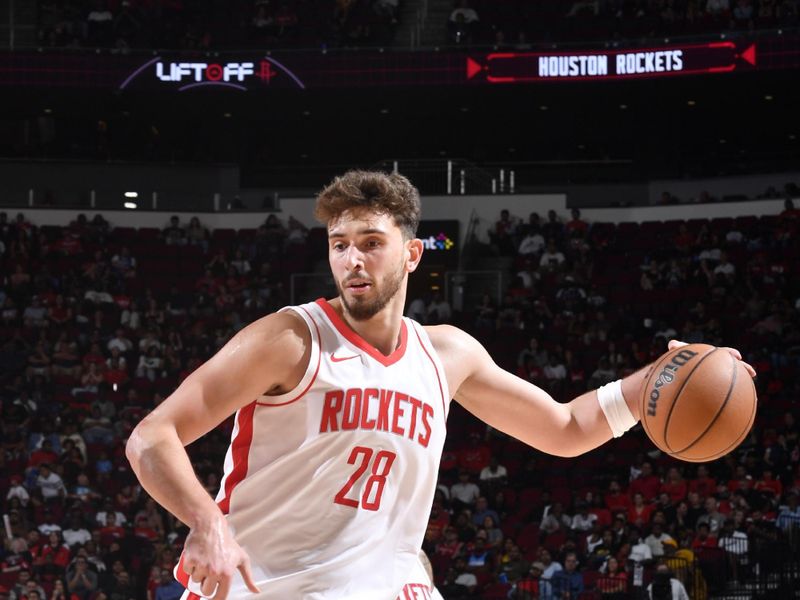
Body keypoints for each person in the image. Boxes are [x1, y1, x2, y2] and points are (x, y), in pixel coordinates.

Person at [126, 171, 754, 600]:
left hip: (382, 582)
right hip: (264, 583)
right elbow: (152, 436)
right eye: (339, 244)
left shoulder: (446, 354)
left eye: (371, 243)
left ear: (412, 255)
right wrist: (206, 521)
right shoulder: (291, 339)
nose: (352, 259)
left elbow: (565, 430)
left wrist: (656, 381)